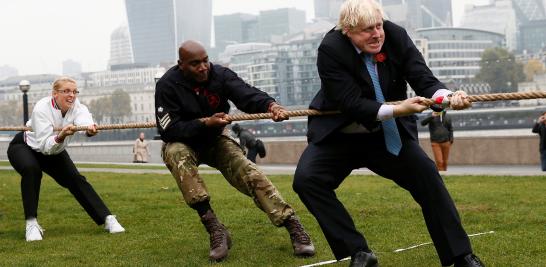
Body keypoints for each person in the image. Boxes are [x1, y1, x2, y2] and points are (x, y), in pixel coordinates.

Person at [291, 1, 484, 266]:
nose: (376, 34)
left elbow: (423, 79)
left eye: (379, 26)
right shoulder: (330, 49)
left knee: (427, 176)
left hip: (386, 135)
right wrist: (399, 109)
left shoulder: (396, 36)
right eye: (366, 30)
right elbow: (351, 103)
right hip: (340, 134)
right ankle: (359, 252)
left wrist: (449, 97)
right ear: (347, 31)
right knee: (306, 180)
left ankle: (461, 257)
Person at [154, 40, 315, 262]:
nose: (203, 67)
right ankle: (215, 229)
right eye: (195, 64)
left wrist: (271, 106)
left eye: (205, 60)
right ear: (181, 64)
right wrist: (204, 123)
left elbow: (245, 94)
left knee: (249, 172)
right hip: (184, 141)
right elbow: (168, 130)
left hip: (216, 139)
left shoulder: (220, 75)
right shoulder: (166, 85)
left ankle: (293, 226)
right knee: (175, 154)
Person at [7, 77, 125, 242]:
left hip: (54, 150)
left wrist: (89, 130)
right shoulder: (41, 108)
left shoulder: (78, 106)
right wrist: (61, 135)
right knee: (31, 170)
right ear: (55, 94)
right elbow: (44, 145)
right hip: (26, 147)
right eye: (66, 91)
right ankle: (31, 224)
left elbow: (85, 123)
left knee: (75, 179)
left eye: (75, 91)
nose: (72, 95)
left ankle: (107, 218)